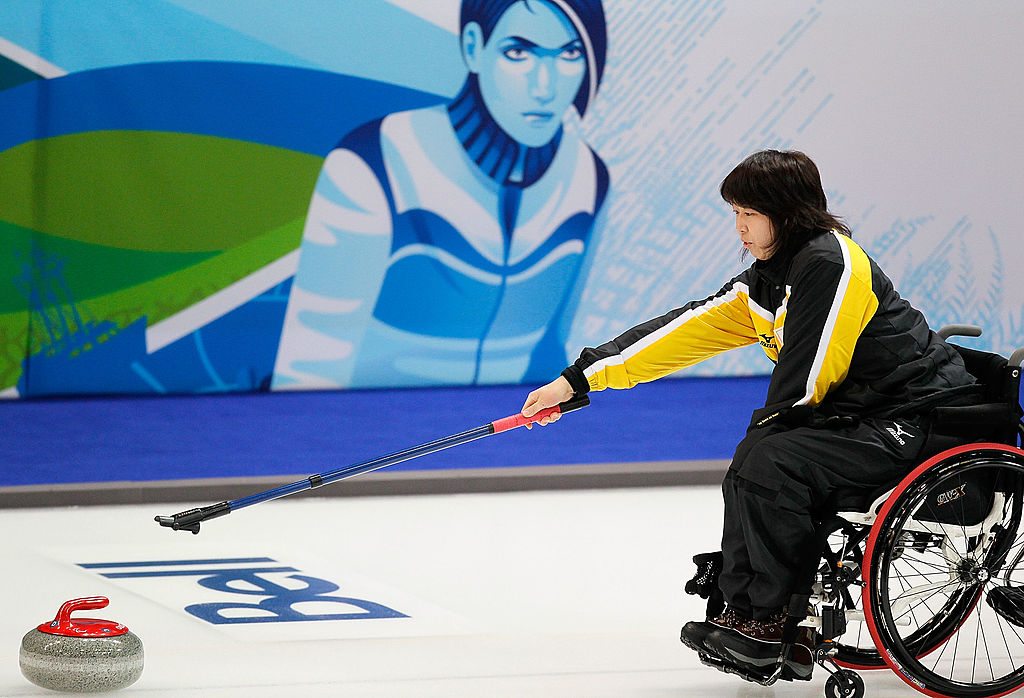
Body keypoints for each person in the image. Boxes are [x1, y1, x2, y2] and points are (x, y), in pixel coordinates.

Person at [521, 149, 977, 680]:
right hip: (863, 416)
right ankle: (743, 613)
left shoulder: (831, 265)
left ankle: (771, 622)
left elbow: (808, 377)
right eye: (735, 213)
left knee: (772, 458)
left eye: (749, 215)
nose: (738, 228)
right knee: (760, 455)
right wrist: (577, 380)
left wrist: (770, 429)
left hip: (919, 417)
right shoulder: (768, 277)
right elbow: (682, 331)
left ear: (787, 213)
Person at [273, 0, 609, 390]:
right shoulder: (378, 158)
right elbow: (312, 358)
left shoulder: (590, 174)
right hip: (373, 418)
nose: (545, 87)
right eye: (517, 52)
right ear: (473, 46)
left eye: (570, 53)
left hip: (516, 419)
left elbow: (554, 345)